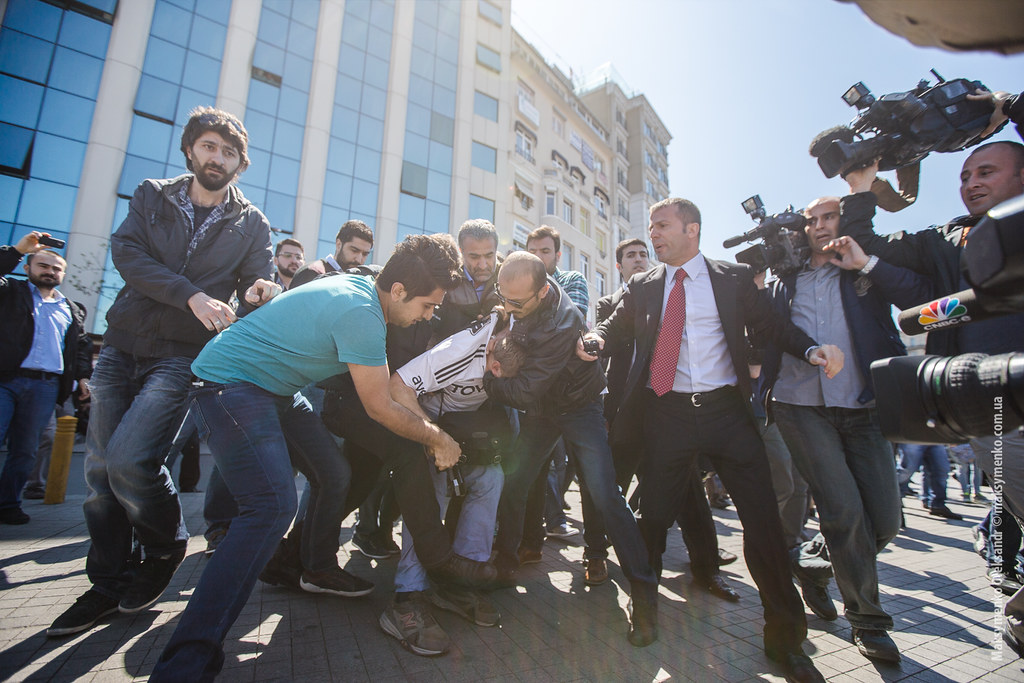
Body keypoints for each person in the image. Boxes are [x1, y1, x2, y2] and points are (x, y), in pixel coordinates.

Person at [149, 234, 496, 681]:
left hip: (278, 389)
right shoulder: (363, 314)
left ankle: (313, 568)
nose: (429, 315)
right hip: (230, 384)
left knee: (334, 474)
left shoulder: (364, 289)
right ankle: (184, 664)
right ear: (398, 292)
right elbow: (380, 407)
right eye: (427, 306)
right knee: (271, 508)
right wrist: (439, 440)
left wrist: (432, 435)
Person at [583, 197, 844, 681]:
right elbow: (613, 329)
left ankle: (785, 639)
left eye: (662, 226)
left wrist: (809, 350)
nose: (654, 234)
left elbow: (772, 326)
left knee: (763, 523)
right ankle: (645, 607)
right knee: (654, 519)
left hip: (728, 414)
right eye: (651, 227)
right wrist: (594, 339)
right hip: (667, 414)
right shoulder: (643, 286)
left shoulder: (732, 278)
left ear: (692, 229)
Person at [47, 107, 278, 639]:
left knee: (130, 461)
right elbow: (126, 254)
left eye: (228, 152)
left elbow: (258, 278)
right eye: (209, 147)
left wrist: (262, 291)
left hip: (181, 354)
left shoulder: (252, 222)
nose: (217, 158)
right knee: (99, 474)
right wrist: (189, 294)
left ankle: (165, 544)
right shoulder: (153, 194)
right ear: (191, 149)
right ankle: (107, 581)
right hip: (123, 344)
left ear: (240, 164)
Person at [838, 132, 1024, 652]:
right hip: (990, 405)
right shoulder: (948, 240)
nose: (972, 183)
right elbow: (868, 244)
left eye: (986, 172)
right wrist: (861, 186)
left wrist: (1004, 108)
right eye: (965, 176)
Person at [761, 189, 934, 663]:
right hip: (800, 406)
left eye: (830, 216)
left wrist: (866, 264)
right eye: (811, 219)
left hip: (864, 406)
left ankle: (812, 565)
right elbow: (772, 331)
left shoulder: (865, 268)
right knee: (844, 512)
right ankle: (868, 621)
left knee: (886, 520)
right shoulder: (785, 279)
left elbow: (922, 301)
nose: (819, 225)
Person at [484, 251, 660, 648]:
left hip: (579, 409)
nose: (507, 308)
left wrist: (485, 382)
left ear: (543, 291)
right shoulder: (523, 294)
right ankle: (504, 566)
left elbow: (525, 389)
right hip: (543, 411)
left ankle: (645, 593)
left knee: (605, 494)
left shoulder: (561, 324)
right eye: (503, 297)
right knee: (514, 483)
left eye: (516, 303)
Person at [583, 238, 739, 598]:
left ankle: (707, 568)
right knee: (607, 489)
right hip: (625, 413)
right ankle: (595, 555)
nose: (638, 260)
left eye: (643, 254)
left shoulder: (669, 295)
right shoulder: (611, 303)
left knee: (689, 495)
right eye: (630, 256)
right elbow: (611, 351)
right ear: (619, 265)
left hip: (669, 411)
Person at [382, 310, 525, 656]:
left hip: (468, 430)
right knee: (434, 489)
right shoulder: (459, 349)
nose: (496, 377)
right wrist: (433, 437)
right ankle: (408, 593)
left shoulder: (529, 342)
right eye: (494, 367)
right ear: (488, 347)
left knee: (490, 478)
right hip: (424, 422)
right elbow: (397, 386)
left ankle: (460, 580)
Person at [1, 235, 91, 524]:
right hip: (6, 380)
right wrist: (17, 251)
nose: (50, 272)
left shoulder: (71, 308)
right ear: (27, 268)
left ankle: (8, 504)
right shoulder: (10, 292)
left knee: (26, 450)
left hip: (45, 386)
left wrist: (83, 378)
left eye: (56, 269)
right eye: (43, 265)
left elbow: (79, 347)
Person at [520, 225, 588, 551]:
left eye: (544, 251)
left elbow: (572, 322)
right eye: (532, 250)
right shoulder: (518, 283)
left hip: (573, 395)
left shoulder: (573, 280)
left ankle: (594, 548)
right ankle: (531, 542)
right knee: (532, 471)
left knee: (575, 467)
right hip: (533, 395)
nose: (537, 256)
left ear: (557, 255)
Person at [290, 219, 373, 288]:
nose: (359, 259)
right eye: (354, 250)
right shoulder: (312, 272)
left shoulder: (360, 282)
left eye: (365, 254)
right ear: (339, 244)